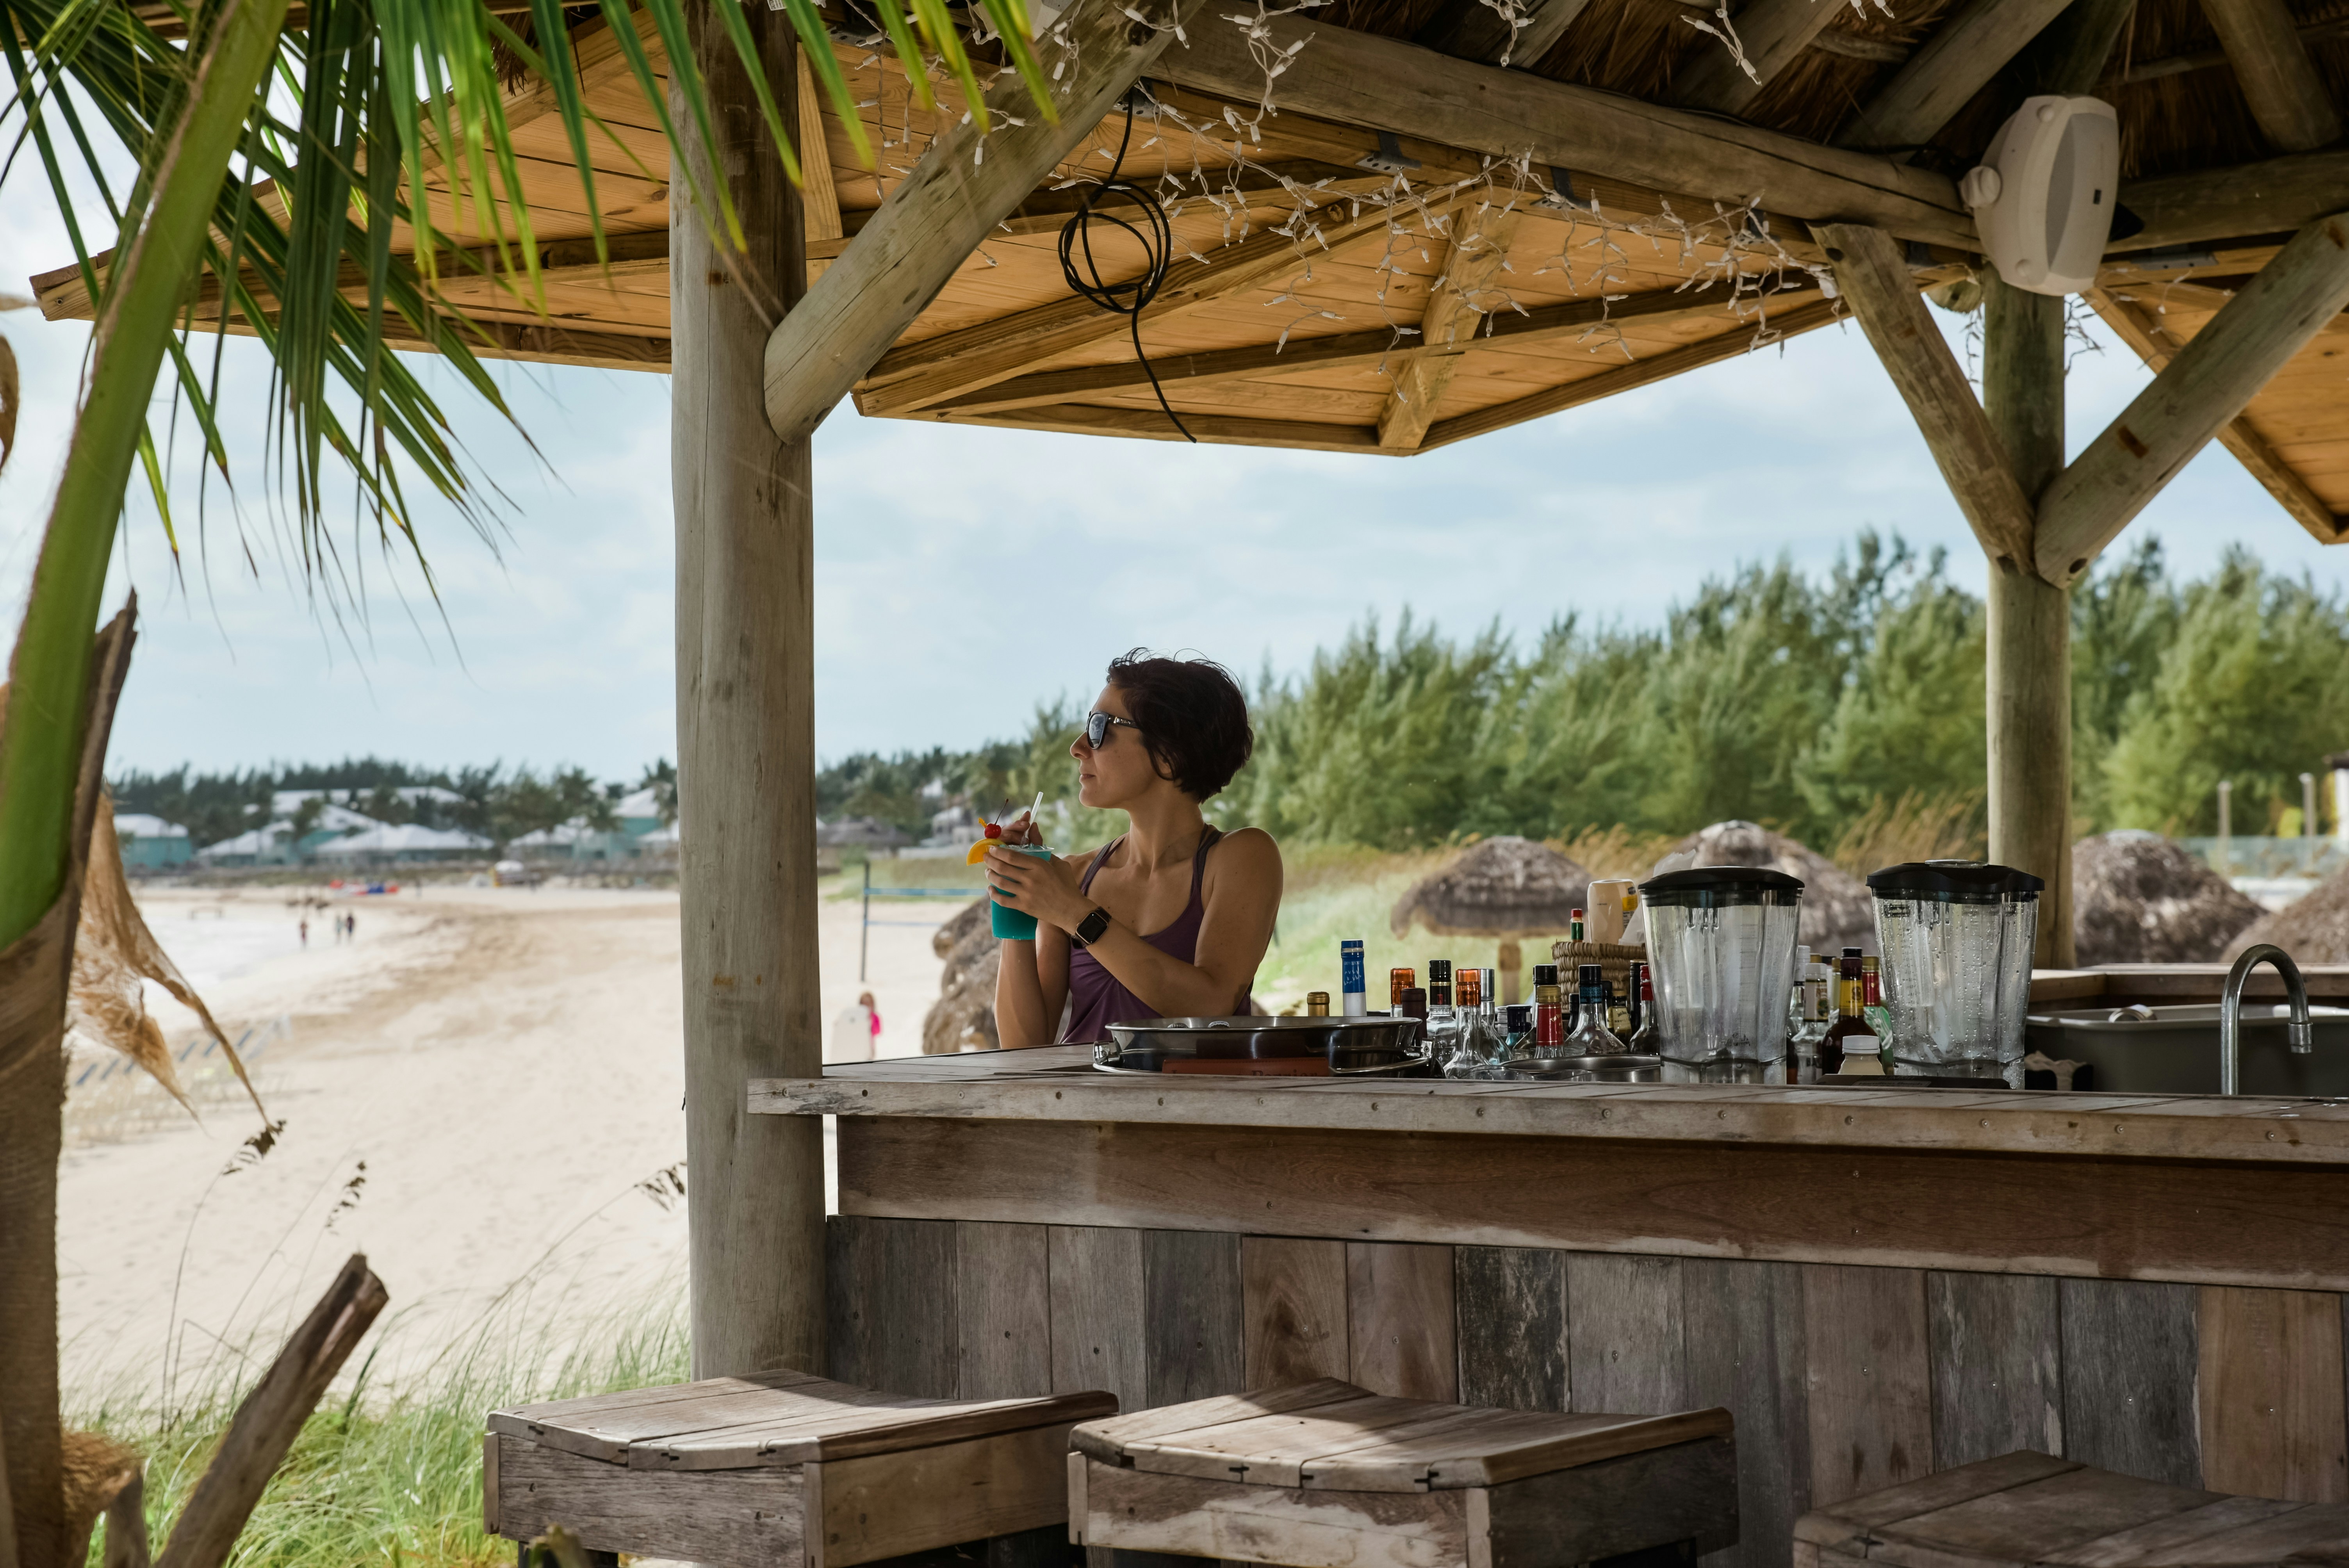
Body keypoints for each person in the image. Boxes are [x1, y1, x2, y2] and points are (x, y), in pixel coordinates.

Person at [988, 651, 1282, 1046]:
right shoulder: (1074, 876)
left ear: (1169, 752)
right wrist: (1018, 902)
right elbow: (1022, 1047)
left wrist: (1070, 909)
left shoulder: (1240, 856)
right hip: (1076, 1107)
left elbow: (1211, 1005)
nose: (1077, 747)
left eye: (1098, 728)